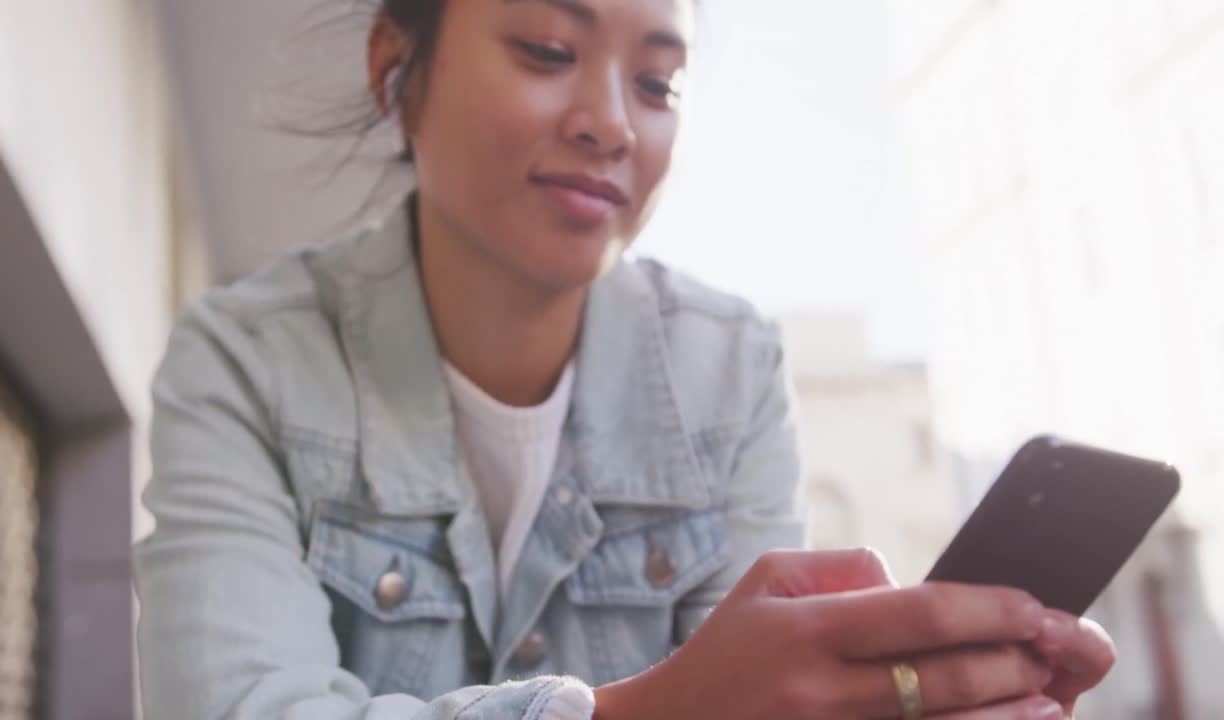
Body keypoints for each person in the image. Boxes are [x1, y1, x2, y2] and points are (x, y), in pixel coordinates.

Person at [135, 1, 1116, 718]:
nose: (609, 121)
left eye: (656, 82)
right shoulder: (244, 364)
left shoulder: (729, 373)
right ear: (396, 71)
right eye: (547, 49)